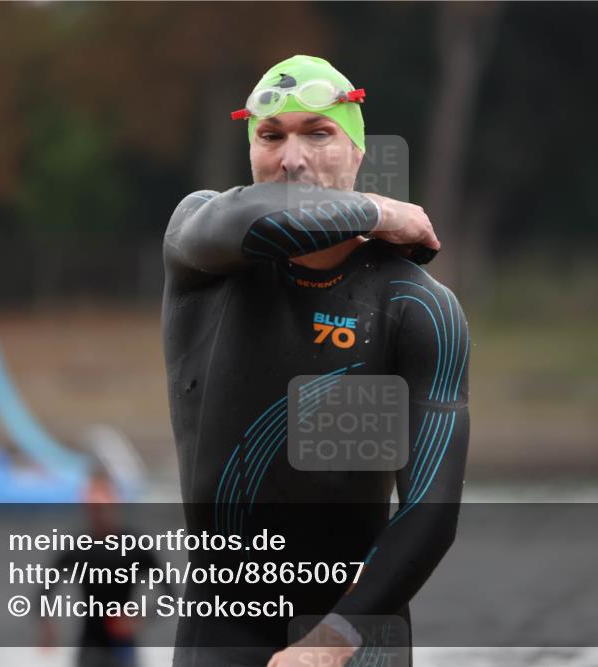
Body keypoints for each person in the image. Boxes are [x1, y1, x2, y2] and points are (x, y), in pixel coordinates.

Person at [162, 55, 470, 666]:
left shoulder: (417, 308)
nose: (292, 158)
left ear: (357, 152)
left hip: (356, 628)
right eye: (271, 136)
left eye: (318, 133)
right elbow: (259, 216)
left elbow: (429, 514)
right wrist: (384, 211)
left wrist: (332, 641)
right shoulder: (201, 245)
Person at [39, 468, 173, 667]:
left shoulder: (133, 546)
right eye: (92, 508)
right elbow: (44, 590)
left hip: (123, 645)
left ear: (114, 504)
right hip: (89, 646)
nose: (97, 514)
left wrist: (140, 618)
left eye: (101, 507)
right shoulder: (78, 548)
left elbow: (169, 594)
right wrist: (47, 624)